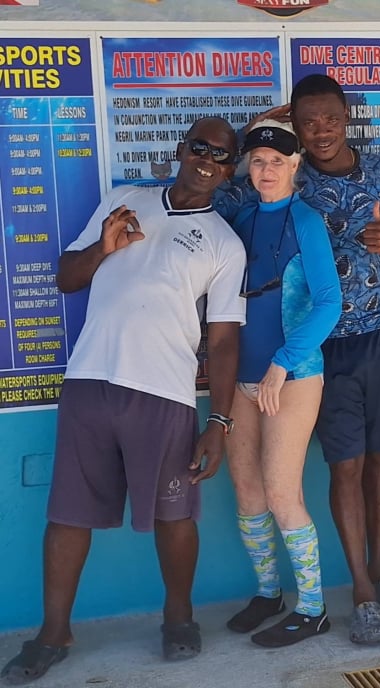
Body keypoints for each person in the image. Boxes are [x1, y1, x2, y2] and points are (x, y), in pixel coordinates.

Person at [1, 117, 246, 686]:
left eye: (224, 156)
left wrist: (221, 422)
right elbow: (67, 276)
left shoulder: (224, 242)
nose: (210, 161)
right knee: (67, 514)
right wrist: (104, 249)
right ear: (179, 149)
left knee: (174, 512)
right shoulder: (126, 199)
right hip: (89, 380)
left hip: (165, 391)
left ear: (231, 170)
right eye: (201, 148)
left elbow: (226, 338)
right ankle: (53, 631)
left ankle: (178, 616)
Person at [215, 74, 380, 645]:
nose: (320, 131)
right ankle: (359, 590)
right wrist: (257, 127)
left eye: (330, 119)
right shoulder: (286, 173)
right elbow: (218, 191)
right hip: (317, 347)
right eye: (307, 122)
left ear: (346, 117)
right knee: (345, 464)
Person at [222, 121, 341, 648]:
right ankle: (269, 593)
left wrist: (282, 362)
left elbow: (328, 302)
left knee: (280, 491)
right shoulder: (241, 216)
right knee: (246, 493)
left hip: (290, 376)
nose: (265, 170)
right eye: (258, 160)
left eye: (276, 161)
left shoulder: (307, 220)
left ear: (295, 166)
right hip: (240, 376)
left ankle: (313, 608)